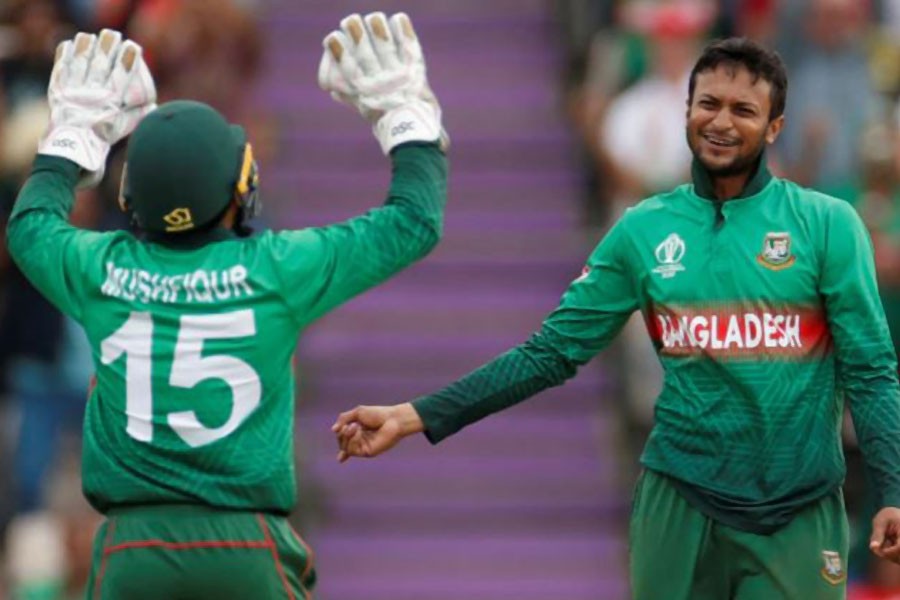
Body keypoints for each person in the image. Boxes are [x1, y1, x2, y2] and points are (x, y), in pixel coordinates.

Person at [333, 37, 900, 600]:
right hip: (679, 502)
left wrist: (893, 490)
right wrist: (415, 416)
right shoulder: (643, 230)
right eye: (708, 104)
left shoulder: (827, 225)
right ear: (686, 110)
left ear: (774, 127)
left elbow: (872, 371)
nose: (721, 122)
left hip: (797, 510)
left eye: (743, 110)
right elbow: (550, 353)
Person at [6, 11, 448, 599]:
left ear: (131, 194)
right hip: (247, 546)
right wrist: (404, 116)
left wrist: (70, 139)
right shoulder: (278, 269)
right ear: (239, 187)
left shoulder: (100, 269)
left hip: (132, 550)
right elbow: (414, 221)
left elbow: (29, 227)